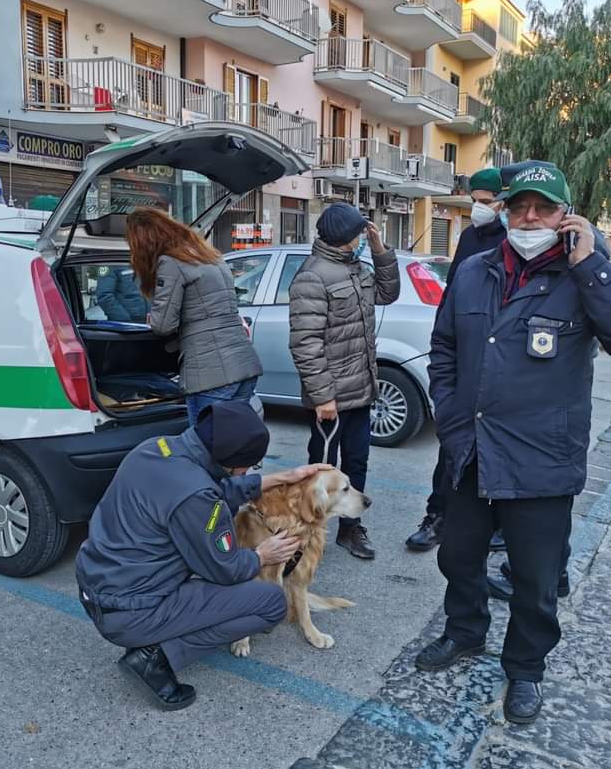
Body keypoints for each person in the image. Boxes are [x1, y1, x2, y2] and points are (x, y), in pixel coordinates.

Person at [415, 165, 611, 724]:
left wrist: (592, 262)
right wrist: (450, 419)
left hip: (543, 458)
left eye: (543, 208)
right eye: (519, 206)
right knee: (457, 555)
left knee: (535, 576)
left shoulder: (583, 276)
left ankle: (524, 668)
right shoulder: (473, 270)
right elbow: (444, 347)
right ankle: (465, 632)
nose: (529, 218)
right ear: (504, 210)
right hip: (472, 448)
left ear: (565, 216)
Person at [75, 401, 328, 710]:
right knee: (271, 603)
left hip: (97, 588)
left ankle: (155, 639)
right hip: (132, 611)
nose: (248, 472)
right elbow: (225, 570)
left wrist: (282, 477)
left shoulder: (156, 449)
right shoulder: (197, 497)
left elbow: (209, 488)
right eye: (249, 465)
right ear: (231, 461)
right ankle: (154, 659)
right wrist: (262, 555)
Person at [288, 203, 400, 560]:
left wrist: (381, 250)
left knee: (358, 462)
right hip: (331, 398)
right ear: (346, 238)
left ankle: (350, 530)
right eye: (361, 233)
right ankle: (306, 530)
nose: (364, 238)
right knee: (321, 468)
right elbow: (305, 343)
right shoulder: (313, 276)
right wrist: (323, 397)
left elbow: (389, 293)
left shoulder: (356, 268)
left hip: (361, 391)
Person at [406, 168, 507, 553]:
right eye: (475, 200)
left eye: (486, 202)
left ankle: (498, 528)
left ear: (502, 202)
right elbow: (451, 302)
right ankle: (437, 519)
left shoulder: (514, 240)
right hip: (463, 367)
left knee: (496, 453)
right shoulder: (468, 237)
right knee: (451, 452)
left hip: (498, 367)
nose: (479, 208)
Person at [126, 208, 262, 425]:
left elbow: (162, 326)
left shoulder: (171, 262)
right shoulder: (210, 256)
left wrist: (153, 317)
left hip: (211, 373)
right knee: (234, 444)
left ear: (144, 240)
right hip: (244, 364)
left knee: (205, 445)